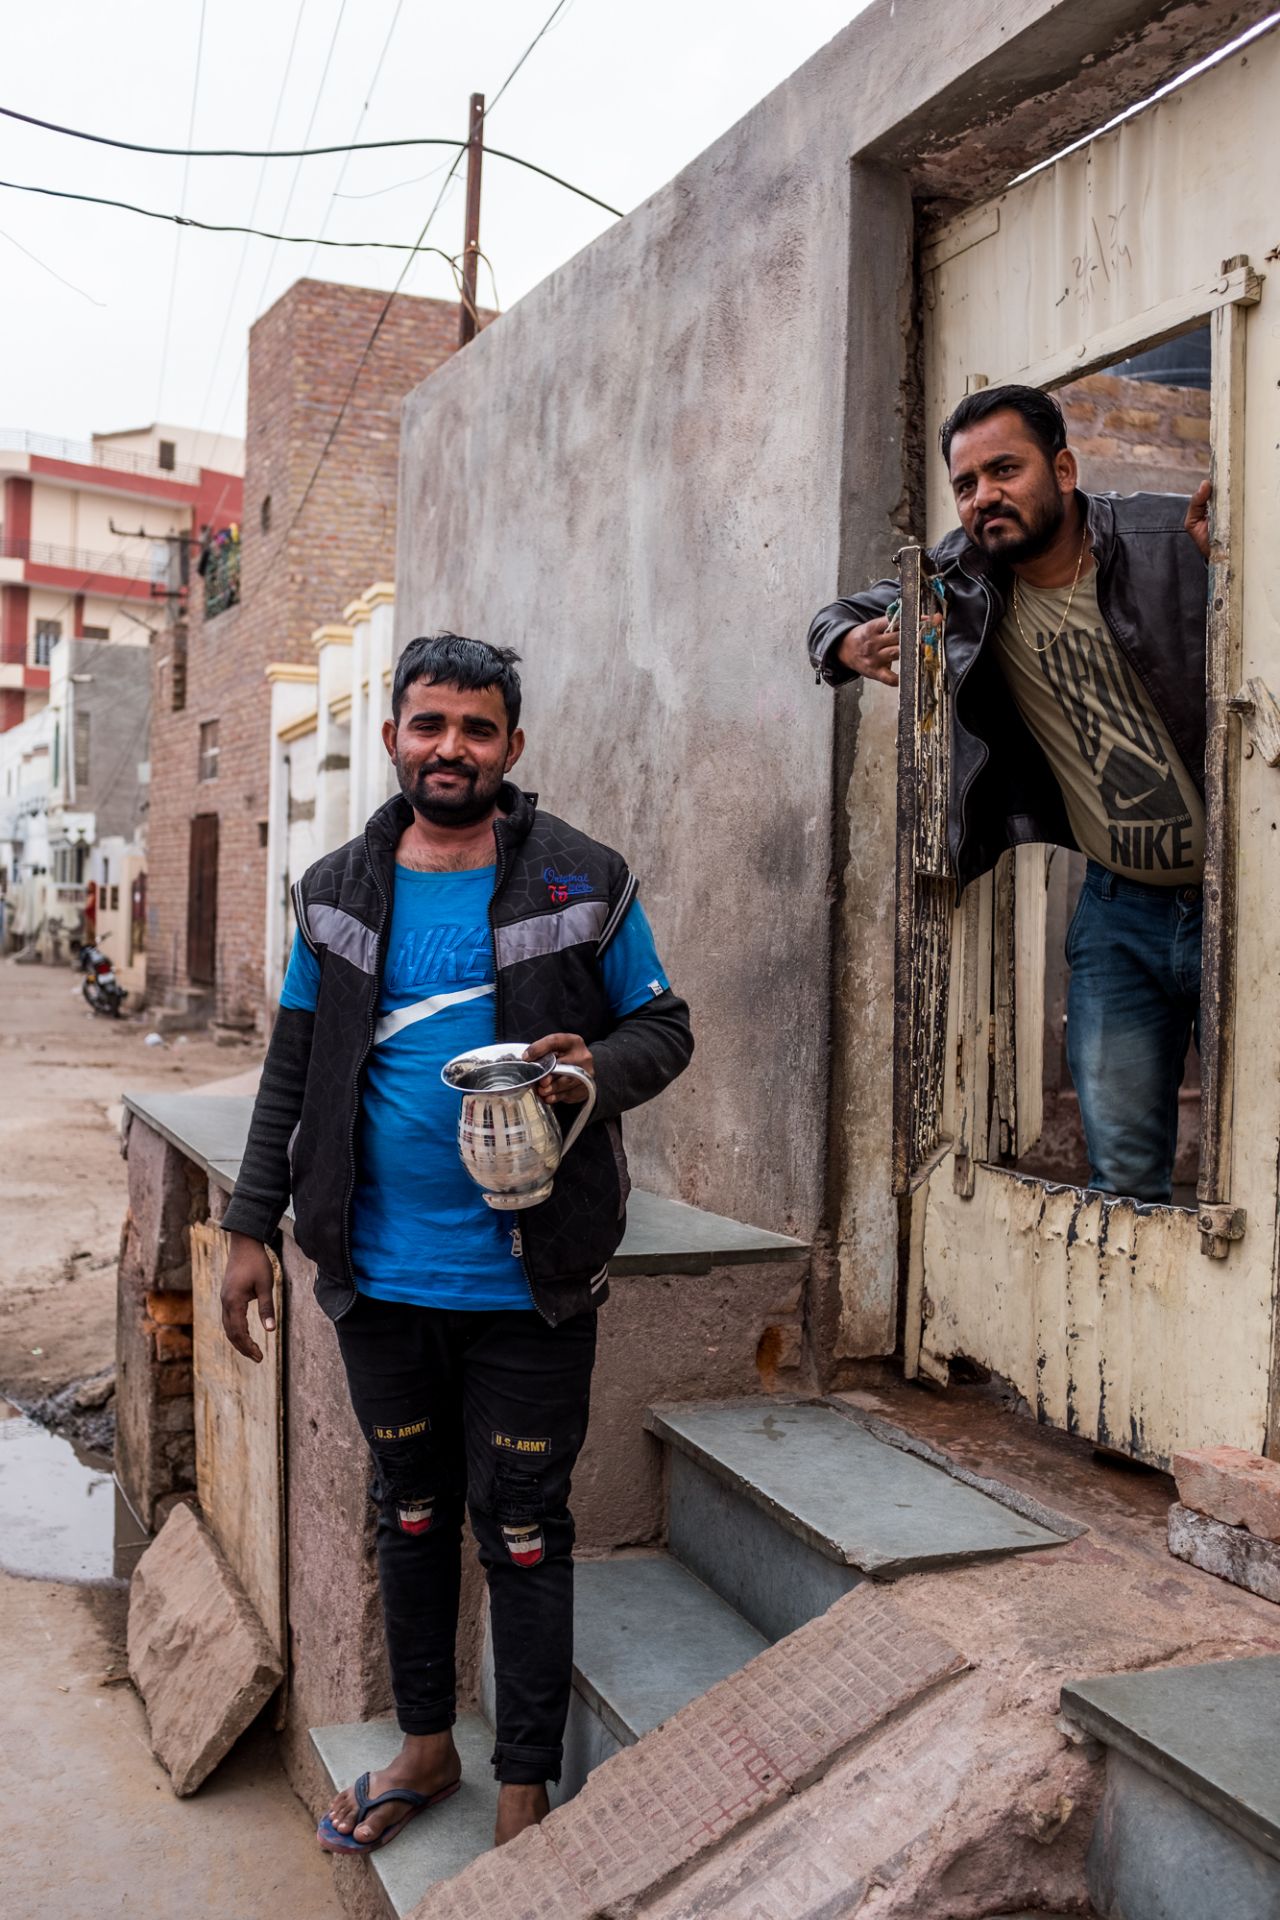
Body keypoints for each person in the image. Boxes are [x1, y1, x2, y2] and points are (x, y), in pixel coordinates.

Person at [219, 634, 693, 1853]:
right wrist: (247, 1226)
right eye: (428, 725)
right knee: (412, 1512)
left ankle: (524, 1788)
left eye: (476, 729)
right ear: (392, 737)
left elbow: (663, 1029)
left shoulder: (579, 879)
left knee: (522, 1526)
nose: (450, 748)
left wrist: (588, 1069)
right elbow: (290, 1073)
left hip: (532, 1283)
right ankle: (426, 1748)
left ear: (510, 746)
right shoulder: (333, 892)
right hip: (377, 1276)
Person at [808, 384, 1210, 1204]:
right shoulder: (963, 579)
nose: (984, 496)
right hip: (1119, 910)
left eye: (1005, 470)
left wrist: (1227, 563)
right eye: (966, 483)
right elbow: (840, 614)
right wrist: (847, 642)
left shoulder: (1172, 540)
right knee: (1122, 1180)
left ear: (1063, 470)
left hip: (1239, 900)